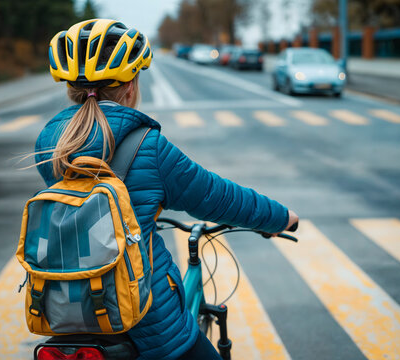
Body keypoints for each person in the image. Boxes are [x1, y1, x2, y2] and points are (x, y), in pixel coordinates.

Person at [32, 19, 298, 360]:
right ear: (131, 86)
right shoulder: (148, 146)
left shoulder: (49, 145)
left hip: (71, 313)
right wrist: (280, 218)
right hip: (146, 323)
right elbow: (217, 197)